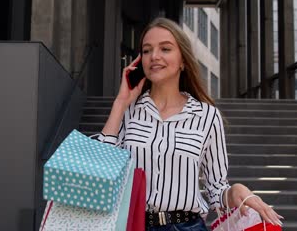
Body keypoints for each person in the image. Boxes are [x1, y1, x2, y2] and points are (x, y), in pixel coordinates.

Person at [95, 17, 283, 230]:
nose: (154, 56)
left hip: (186, 226)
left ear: (183, 60)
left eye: (165, 49)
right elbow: (100, 172)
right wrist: (121, 102)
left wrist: (235, 191)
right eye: (146, 50)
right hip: (133, 225)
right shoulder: (129, 111)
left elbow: (216, 189)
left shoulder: (207, 116)